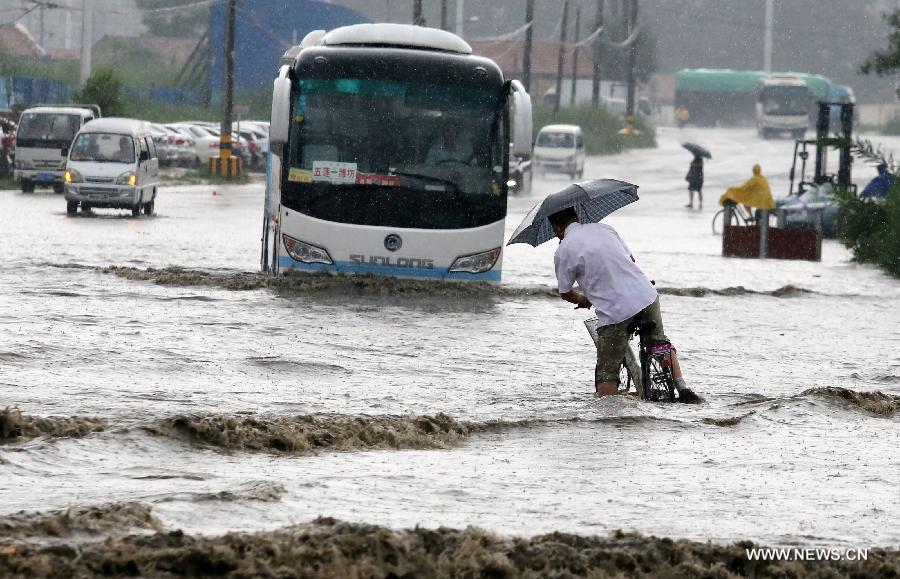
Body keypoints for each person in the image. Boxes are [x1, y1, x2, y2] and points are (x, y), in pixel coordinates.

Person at [549, 207, 698, 401]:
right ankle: (682, 387)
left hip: (615, 311)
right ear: (577, 217)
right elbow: (631, 259)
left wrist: (583, 299)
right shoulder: (605, 229)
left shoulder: (563, 250)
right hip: (645, 295)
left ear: (557, 229)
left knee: (607, 370)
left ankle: (611, 418)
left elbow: (565, 292)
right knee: (659, 341)